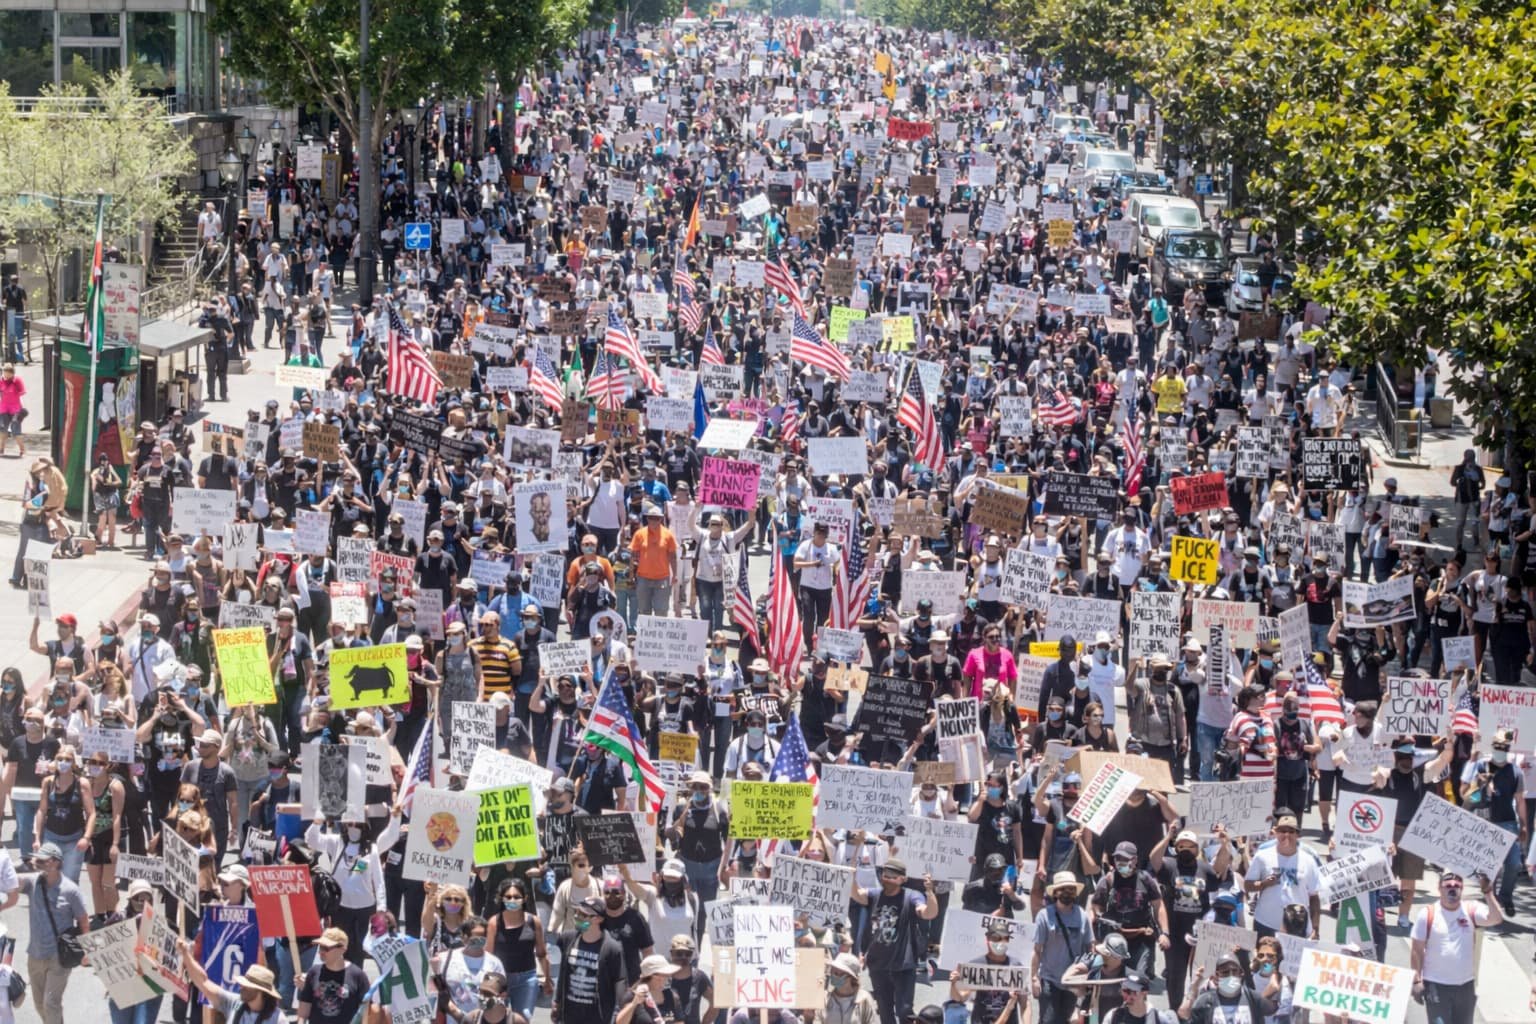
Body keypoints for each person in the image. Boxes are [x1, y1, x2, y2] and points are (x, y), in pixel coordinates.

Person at [851, 858, 940, 1024]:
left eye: (893, 876)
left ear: (903, 879)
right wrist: (851, 877)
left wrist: (930, 893)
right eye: (885, 874)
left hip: (903, 965)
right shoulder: (875, 894)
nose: (888, 879)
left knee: (904, 1009)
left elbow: (929, 913)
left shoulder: (912, 896)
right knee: (884, 1010)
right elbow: (858, 895)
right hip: (878, 964)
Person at [17, 841, 89, 1024]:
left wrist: (87, 950)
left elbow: (83, 920)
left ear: (56, 862)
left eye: (44, 859)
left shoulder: (71, 890)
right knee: (40, 1004)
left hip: (58, 957)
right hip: (35, 954)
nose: (39, 862)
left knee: (51, 1003)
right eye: (38, 859)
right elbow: (11, 881)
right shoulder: (33, 882)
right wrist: (25, 864)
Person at [1242, 812, 1321, 938]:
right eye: (1282, 831)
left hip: (1297, 926)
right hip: (1266, 923)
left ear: (1297, 834)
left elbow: (1314, 897)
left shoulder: (1308, 861)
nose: (1286, 835)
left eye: (1291, 831)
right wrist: (1263, 884)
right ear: (1275, 833)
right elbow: (1247, 885)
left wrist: (1316, 928)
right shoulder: (1262, 856)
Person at [554, 896, 627, 1024]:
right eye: (576, 912)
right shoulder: (567, 939)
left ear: (598, 919)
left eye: (583, 914)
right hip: (570, 1013)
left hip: (598, 1016)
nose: (577, 917)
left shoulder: (612, 948)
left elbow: (619, 980)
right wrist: (556, 1001)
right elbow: (563, 972)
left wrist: (618, 1012)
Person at [1033, 872, 1093, 1024]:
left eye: (1071, 889)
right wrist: (1034, 978)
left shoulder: (1082, 916)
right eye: (1063, 889)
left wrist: (1089, 979)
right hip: (1049, 979)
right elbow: (1037, 950)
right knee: (1048, 1021)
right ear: (1055, 892)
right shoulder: (1044, 915)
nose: (1068, 892)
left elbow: (1090, 948)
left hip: (1074, 981)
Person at [178, 951, 284, 1024]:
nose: (241, 987)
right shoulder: (235, 1003)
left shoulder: (278, 1020)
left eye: (247, 986)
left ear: (261, 991)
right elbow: (203, 982)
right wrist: (186, 954)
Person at [296, 926, 370, 1024]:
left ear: (342, 949)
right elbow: (303, 1013)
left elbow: (366, 1012)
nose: (321, 952)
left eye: (326, 948)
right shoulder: (313, 972)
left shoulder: (358, 976)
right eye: (320, 947)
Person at [823, 951, 878, 1024]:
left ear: (851, 977)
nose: (833, 975)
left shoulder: (864, 999)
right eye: (832, 971)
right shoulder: (824, 999)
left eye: (837, 973)